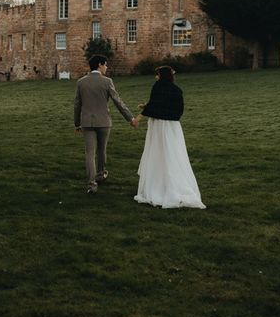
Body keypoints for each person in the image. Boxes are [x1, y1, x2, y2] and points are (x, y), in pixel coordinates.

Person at [132, 65, 205, 209]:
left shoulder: (158, 87)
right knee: (173, 154)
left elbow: (155, 105)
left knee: (158, 154)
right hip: (173, 128)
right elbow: (172, 108)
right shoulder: (177, 90)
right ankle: (174, 184)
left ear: (162, 76)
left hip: (159, 126)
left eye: (157, 74)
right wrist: (148, 106)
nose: (156, 77)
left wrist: (138, 118)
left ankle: (159, 186)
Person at [74, 55, 138, 194]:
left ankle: (92, 185)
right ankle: (101, 175)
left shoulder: (81, 82)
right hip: (103, 121)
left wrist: (77, 123)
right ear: (99, 65)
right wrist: (130, 118)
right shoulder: (107, 81)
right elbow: (118, 102)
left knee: (89, 153)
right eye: (105, 65)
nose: (106, 67)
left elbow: (77, 105)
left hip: (86, 122)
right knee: (101, 150)